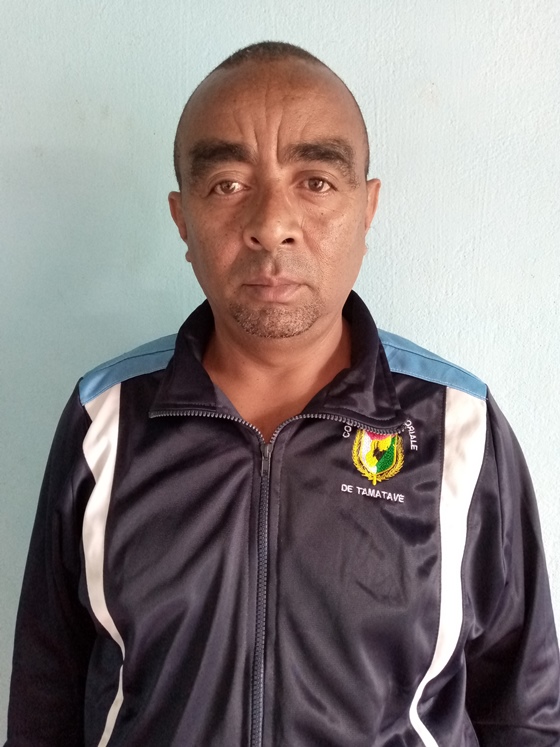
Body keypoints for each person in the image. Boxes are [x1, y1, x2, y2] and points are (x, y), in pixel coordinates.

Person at [5, 41, 560, 747]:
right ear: (182, 218)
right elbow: (46, 700)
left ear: (368, 207)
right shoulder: (104, 418)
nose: (271, 224)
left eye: (316, 182)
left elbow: (523, 711)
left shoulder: (458, 425)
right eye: (227, 184)